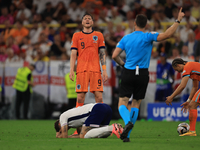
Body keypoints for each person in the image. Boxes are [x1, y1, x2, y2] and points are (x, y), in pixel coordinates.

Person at [112, 8, 185, 142]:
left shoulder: (126, 37)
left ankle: (127, 122)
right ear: (146, 25)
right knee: (136, 103)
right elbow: (167, 34)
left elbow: (114, 55)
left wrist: (122, 64)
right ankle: (127, 136)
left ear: (134, 23)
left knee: (122, 102)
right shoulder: (148, 36)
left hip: (128, 71)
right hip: (143, 73)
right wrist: (178, 20)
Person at [69, 13, 108, 107]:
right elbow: (73, 54)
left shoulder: (98, 35)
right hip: (82, 70)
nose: (87, 20)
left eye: (89, 18)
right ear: (82, 22)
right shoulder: (76, 35)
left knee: (99, 97)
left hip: (95, 70)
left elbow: (102, 53)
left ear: (92, 22)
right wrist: (71, 70)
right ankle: (79, 120)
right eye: (85, 18)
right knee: (80, 98)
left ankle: (100, 119)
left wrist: (104, 70)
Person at [165, 58, 199, 136]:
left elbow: (182, 86)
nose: (178, 72)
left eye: (177, 70)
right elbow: (195, 87)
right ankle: (192, 131)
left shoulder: (187, 66)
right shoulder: (192, 67)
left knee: (193, 106)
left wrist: (171, 96)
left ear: (178, 65)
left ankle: (192, 131)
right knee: (192, 105)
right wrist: (188, 101)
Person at [54, 103, 123, 139]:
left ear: (60, 124)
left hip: (96, 109)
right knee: (101, 134)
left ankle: (111, 127)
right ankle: (118, 127)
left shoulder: (62, 117)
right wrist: (74, 135)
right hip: (106, 108)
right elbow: (80, 132)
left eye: (60, 130)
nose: (63, 130)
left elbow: (65, 136)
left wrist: (60, 136)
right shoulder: (74, 121)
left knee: (83, 136)